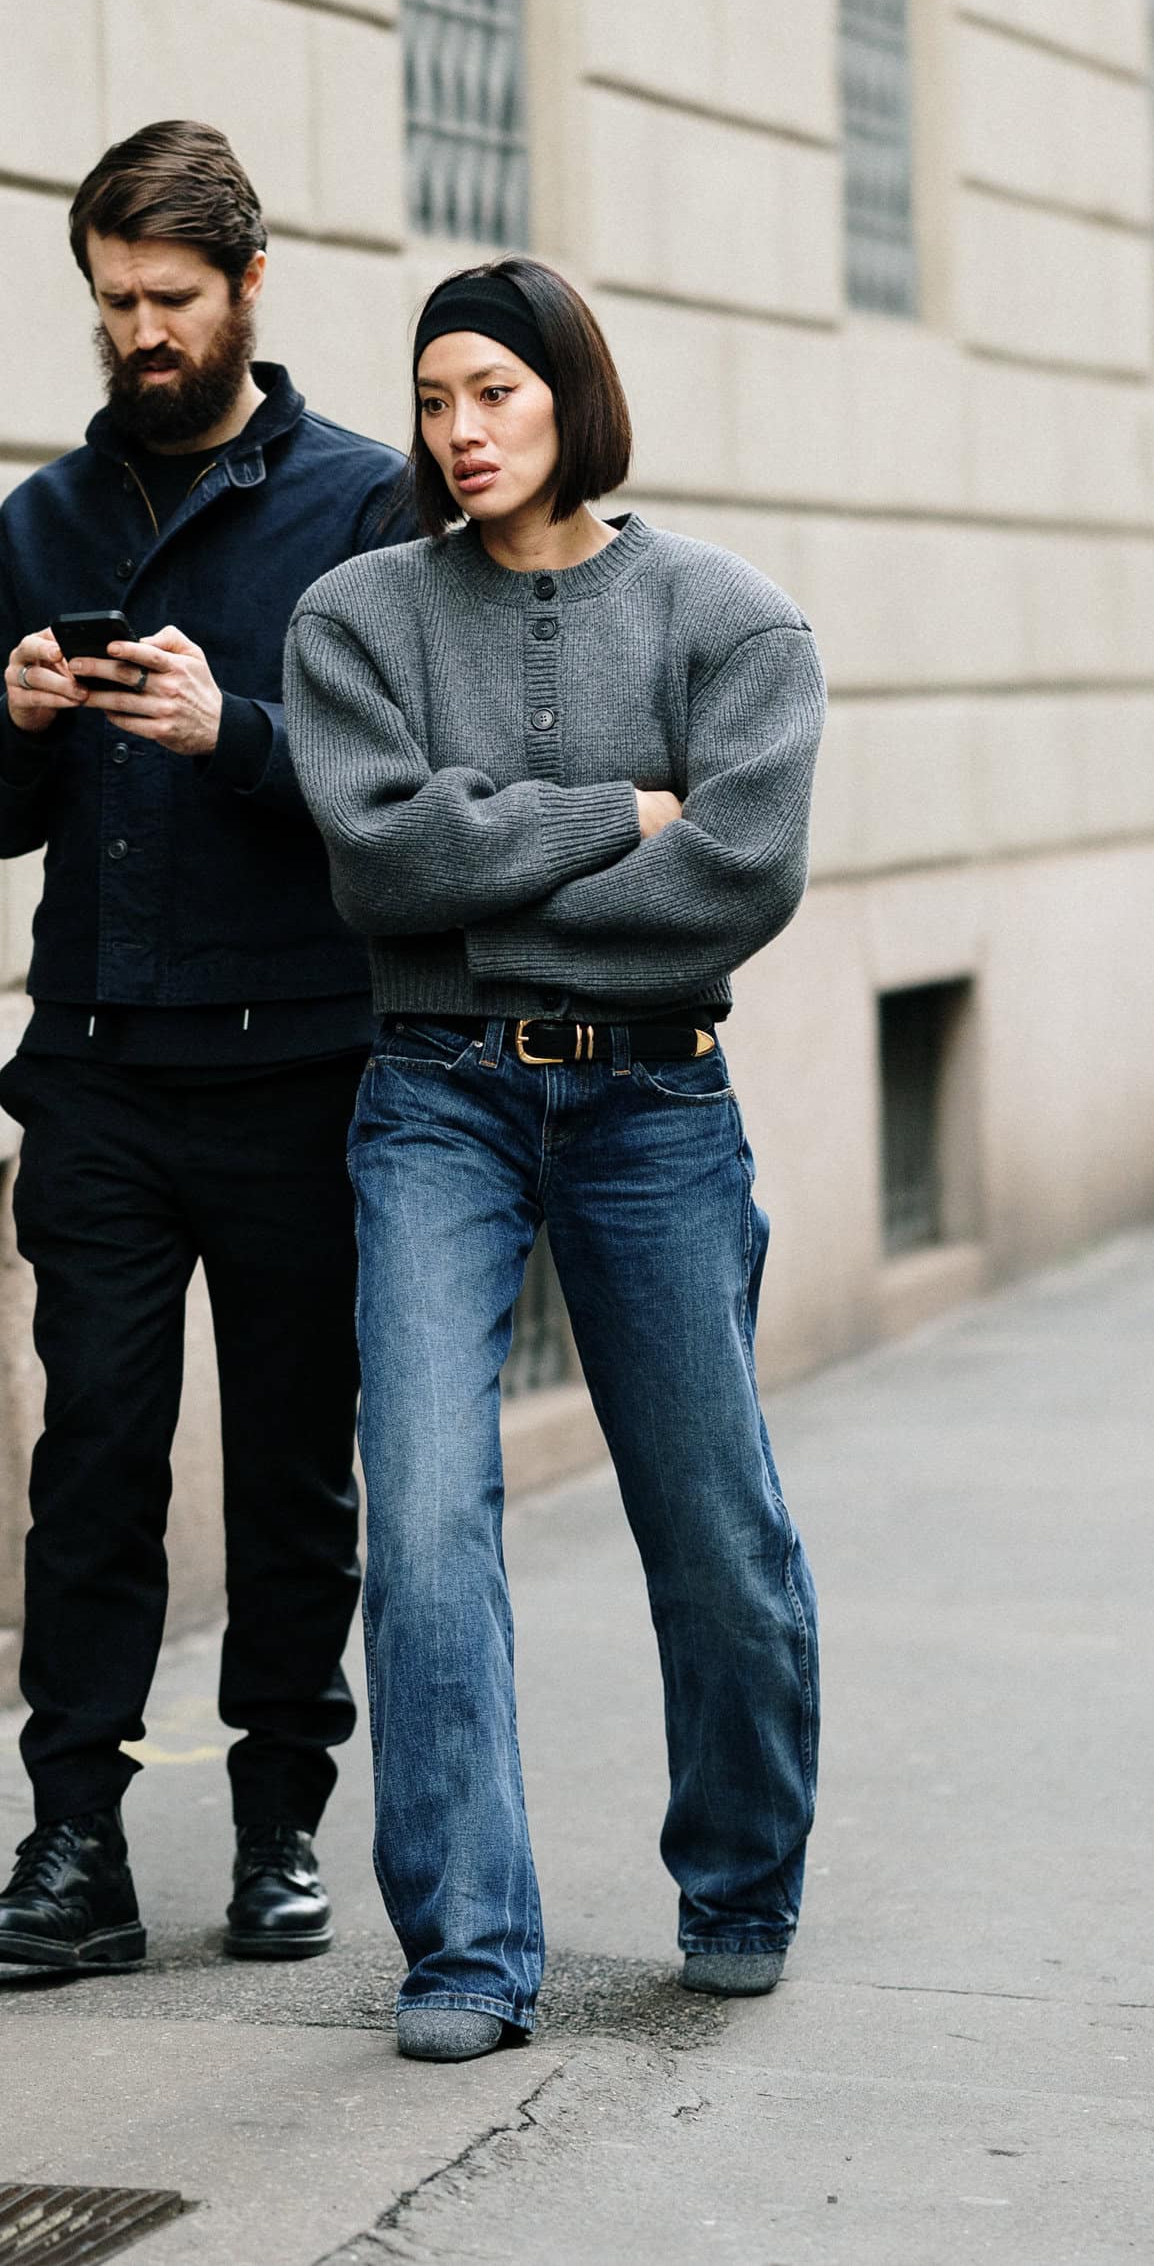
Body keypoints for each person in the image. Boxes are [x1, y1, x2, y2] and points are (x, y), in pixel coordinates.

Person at [283, 258, 826, 2061]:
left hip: (655, 1106)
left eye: (494, 395)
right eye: (435, 398)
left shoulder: (728, 620)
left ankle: (739, 1883)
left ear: (569, 399)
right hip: (429, 1100)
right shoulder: (355, 619)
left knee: (711, 1513)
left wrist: (499, 879)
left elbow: (734, 883)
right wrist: (617, 818)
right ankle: (464, 1949)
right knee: (425, 1519)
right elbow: (376, 867)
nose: (459, 432)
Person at [0, 121, 404, 1973]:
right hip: (102, 1075)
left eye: (171, 300)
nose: (138, 331)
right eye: (113, 300)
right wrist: (32, 718)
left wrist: (243, 730)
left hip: (303, 1068)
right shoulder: (41, 521)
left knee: (293, 1465)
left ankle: (279, 1828)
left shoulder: (366, 506)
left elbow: (404, 796)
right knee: (97, 1454)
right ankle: (74, 1852)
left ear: (249, 289)